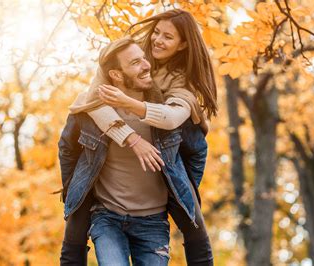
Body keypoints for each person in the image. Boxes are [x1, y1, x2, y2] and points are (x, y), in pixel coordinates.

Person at [60, 9, 217, 266]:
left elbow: (182, 131)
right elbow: (88, 102)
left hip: (153, 208)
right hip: (108, 208)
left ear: (183, 44)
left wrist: (179, 181)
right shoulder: (129, 56)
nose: (157, 40)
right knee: (75, 225)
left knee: (195, 227)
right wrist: (131, 138)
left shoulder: (181, 83)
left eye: (168, 37)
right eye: (156, 32)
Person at [59, 38, 172, 266]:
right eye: (135, 62)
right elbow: (67, 149)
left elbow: (196, 151)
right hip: (107, 216)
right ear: (116, 75)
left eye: (144, 58)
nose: (146, 65)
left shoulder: (164, 109)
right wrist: (75, 190)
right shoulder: (90, 111)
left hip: (154, 223)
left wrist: (181, 191)